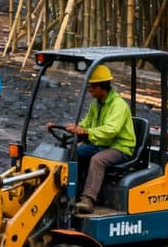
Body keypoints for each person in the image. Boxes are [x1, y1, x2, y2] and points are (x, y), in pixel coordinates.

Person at [49, 65, 135, 214]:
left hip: (120, 147)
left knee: (97, 160)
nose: (89, 90)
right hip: (102, 144)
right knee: (73, 153)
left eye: (92, 87)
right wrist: (76, 127)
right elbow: (87, 123)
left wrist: (87, 132)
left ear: (102, 87)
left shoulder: (118, 105)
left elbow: (111, 131)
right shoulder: (97, 104)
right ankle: (70, 191)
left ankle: (88, 200)